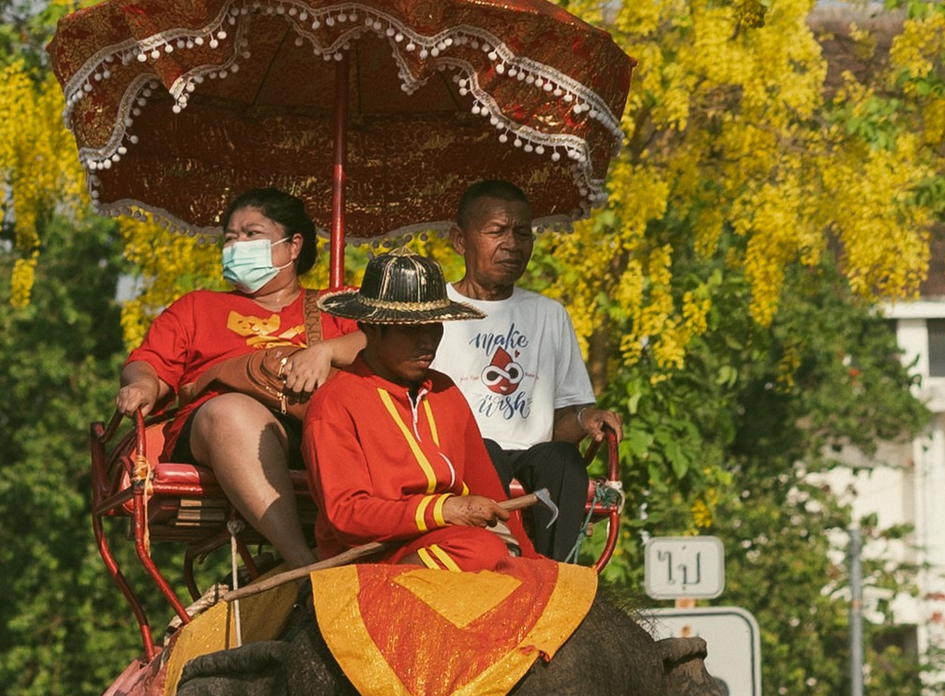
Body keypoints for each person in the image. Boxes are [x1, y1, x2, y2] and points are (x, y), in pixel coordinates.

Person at [114, 187, 362, 569]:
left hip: (312, 428)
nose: (237, 245)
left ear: (293, 246)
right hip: (216, 429)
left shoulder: (337, 304)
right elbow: (149, 362)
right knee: (232, 412)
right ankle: (301, 565)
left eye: (251, 234)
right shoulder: (197, 307)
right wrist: (143, 384)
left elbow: (384, 345)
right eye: (230, 237)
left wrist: (326, 350)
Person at [301, 246, 536, 571]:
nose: (427, 341)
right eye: (411, 329)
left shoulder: (446, 391)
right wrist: (443, 510)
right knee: (480, 549)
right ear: (369, 328)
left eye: (434, 325)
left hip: (451, 538)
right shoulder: (334, 403)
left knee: (513, 558)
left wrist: (533, 563)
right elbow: (347, 515)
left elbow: (491, 493)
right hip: (371, 553)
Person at [434, 178, 617, 564]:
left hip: (532, 453)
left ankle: (559, 572)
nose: (512, 245)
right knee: (487, 451)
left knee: (563, 461)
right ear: (460, 241)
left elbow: (563, 424)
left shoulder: (549, 314)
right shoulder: (436, 309)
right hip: (463, 452)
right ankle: (497, 561)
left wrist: (587, 419)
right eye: (496, 232)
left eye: (522, 233)